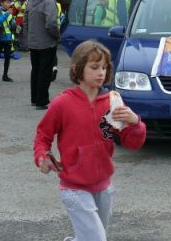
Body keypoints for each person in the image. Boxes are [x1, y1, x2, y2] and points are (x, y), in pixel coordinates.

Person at [34, 40, 146, 241]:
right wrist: (42, 156)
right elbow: (43, 136)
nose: (101, 73)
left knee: (92, 236)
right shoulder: (62, 103)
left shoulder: (112, 102)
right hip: (74, 188)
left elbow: (132, 143)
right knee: (96, 239)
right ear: (77, 70)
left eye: (104, 67)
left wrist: (135, 123)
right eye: (94, 67)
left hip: (104, 186)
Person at [25, 0, 60, 110]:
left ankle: (35, 99)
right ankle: (42, 101)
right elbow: (51, 23)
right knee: (45, 72)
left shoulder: (31, 0)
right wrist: (57, 36)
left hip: (33, 42)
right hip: (47, 43)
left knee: (35, 70)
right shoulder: (49, 2)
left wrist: (29, 37)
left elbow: (25, 21)